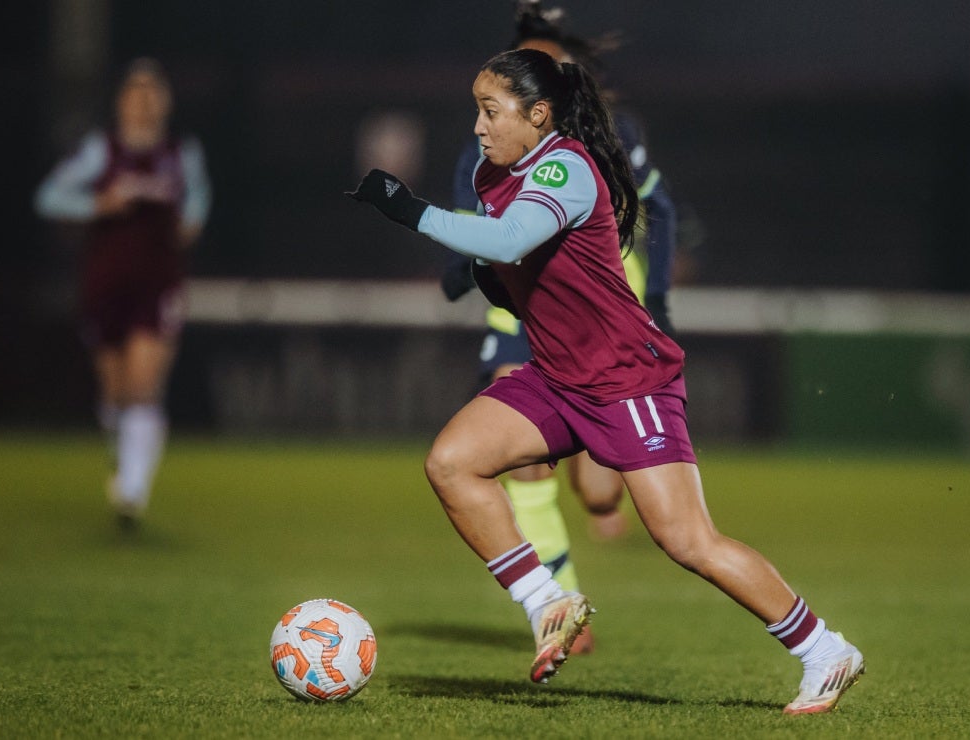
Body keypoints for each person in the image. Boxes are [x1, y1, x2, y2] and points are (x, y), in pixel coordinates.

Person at [348, 47, 864, 715]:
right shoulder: (490, 171)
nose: (477, 126)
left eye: (491, 111)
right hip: (558, 377)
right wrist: (490, 280)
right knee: (452, 462)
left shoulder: (565, 165)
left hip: (627, 381)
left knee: (686, 541)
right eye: (475, 110)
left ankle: (824, 648)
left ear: (538, 115)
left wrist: (409, 210)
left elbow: (507, 243)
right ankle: (548, 601)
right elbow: (519, 275)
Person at [439, 0, 679, 653]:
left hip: (603, 324)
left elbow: (659, 209)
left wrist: (655, 300)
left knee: (599, 493)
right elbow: (476, 230)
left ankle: (611, 488)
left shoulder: (609, 134)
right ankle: (561, 610)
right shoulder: (485, 147)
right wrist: (463, 266)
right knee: (520, 471)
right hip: (518, 317)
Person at [35, 57, 212, 529]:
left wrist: (192, 220)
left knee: (142, 385)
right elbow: (49, 196)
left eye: (153, 90)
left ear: (165, 100)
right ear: (122, 100)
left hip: (157, 285)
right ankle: (123, 459)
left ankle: (132, 493)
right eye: (136, 90)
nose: (145, 99)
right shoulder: (102, 151)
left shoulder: (179, 153)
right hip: (106, 283)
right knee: (114, 391)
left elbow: (198, 197)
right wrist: (98, 203)